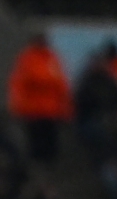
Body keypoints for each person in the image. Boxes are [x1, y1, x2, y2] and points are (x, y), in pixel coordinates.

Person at [7, 32, 72, 162]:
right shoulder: (27, 59)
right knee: (36, 144)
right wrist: (18, 106)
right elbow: (20, 84)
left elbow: (61, 85)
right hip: (33, 110)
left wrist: (66, 109)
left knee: (50, 145)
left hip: (50, 111)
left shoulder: (52, 58)